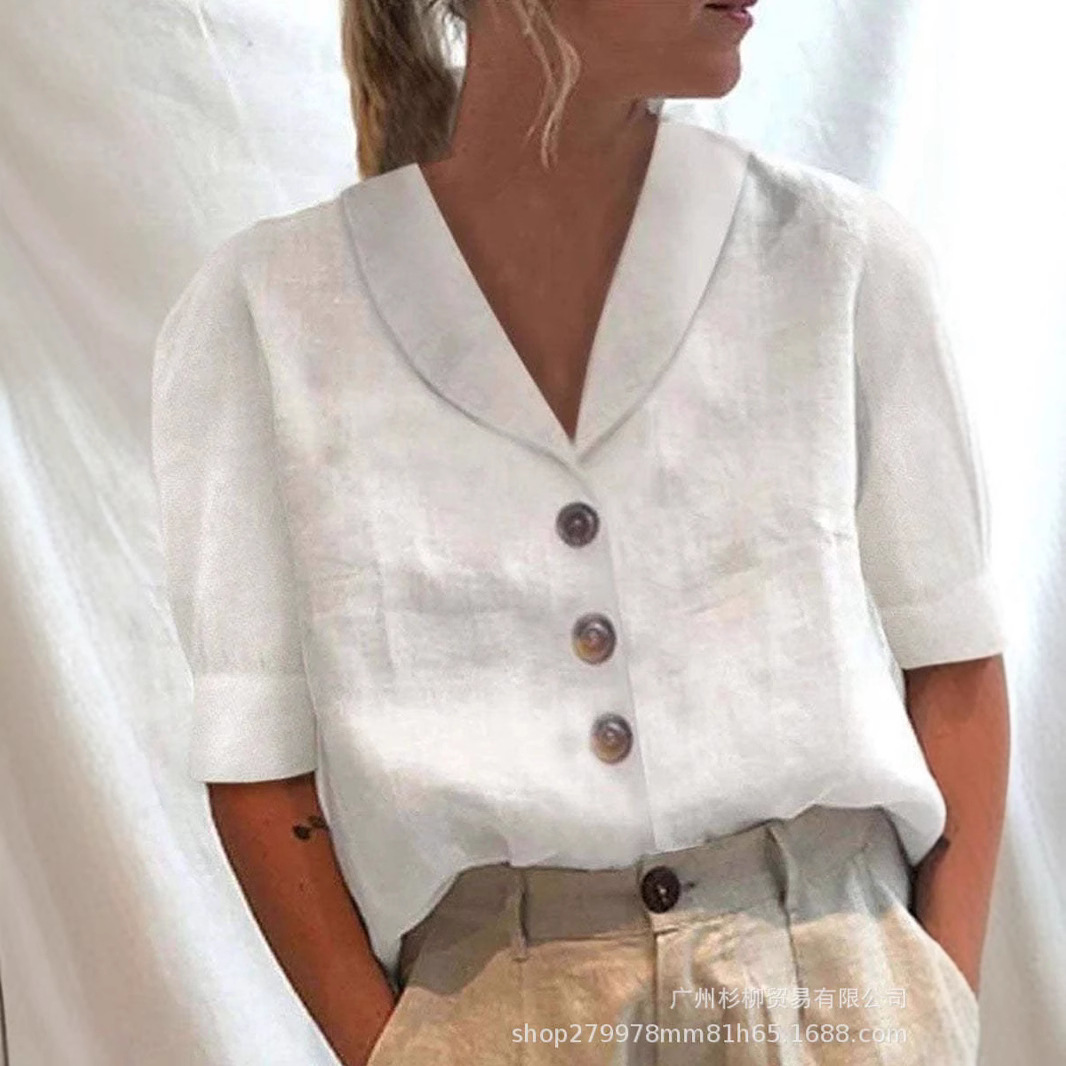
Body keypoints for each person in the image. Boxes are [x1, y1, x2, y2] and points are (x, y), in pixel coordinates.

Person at [150, 0, 1011, 1063]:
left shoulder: (841, 259)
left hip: (843, 993)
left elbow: (954, 662)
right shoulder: (266, 314)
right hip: (501, 1010)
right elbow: (256, 761)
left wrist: (936, 1005)